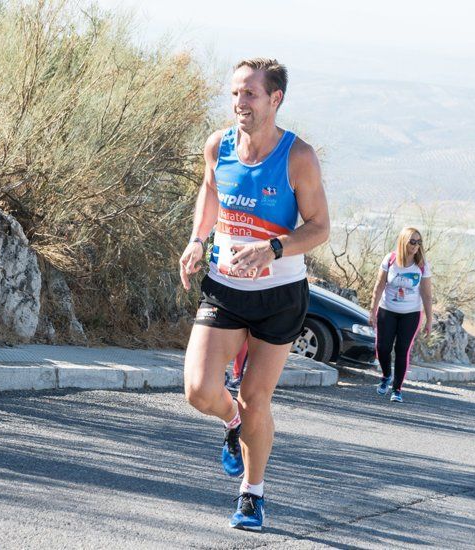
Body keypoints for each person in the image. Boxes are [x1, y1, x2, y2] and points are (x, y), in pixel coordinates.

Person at [178, 57, 329, 531]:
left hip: (279, 294)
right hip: (224, 289)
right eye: (235, 93)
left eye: (250, 94)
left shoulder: (297, 156)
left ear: (274, 99)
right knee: (199, 391)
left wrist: (274, 248)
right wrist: (197, 240)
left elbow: (320, 227)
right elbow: (210, 191)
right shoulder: (218, 145)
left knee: (255, 397)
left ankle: (252, 494)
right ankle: (231, 424)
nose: (239, 103)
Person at [368, 227, 433, 403]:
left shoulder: (422, 265)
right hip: (387, 311)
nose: (416, 246)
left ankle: (397, 389)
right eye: (412, 241)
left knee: (402, 350)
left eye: (419, 242)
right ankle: (386, 376)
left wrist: (429, 320)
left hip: (410, 314)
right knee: (382, 348)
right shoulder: (390, 259)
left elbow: (427, 295)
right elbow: (379, 286)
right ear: (403, 241)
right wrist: (373, 311)